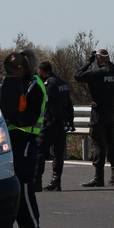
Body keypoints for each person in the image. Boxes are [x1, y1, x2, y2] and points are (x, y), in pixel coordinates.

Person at [3, 50, 46, 228]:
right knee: (17, 193)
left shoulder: (34, 86)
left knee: (25, 192)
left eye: (10, 72)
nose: (8, 76)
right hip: (14, 142)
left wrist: (11, 117)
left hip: (26, 142)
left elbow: (29, 116)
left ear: (20, 69)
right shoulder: (22, 84)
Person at [74, 48, 114, 187]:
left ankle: (98, 177)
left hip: (99, 111)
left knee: (98, 144)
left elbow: (78, 76)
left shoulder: (97, 73)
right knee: (112, 143)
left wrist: (88, 62)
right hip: (112, 110)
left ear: (98, 58)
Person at [36, 61, 74, 191]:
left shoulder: (49, 84)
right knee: (58, 153)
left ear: (41, 71)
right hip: (62, 123)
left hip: (51, 123)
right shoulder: (62, 82)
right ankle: (56, 181)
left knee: (39, 151)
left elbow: (51, 105)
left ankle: (37, 181)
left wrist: (52, 120)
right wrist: (69, 120)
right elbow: (69, 103)